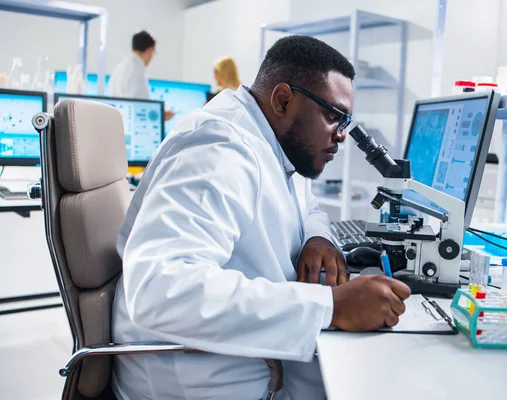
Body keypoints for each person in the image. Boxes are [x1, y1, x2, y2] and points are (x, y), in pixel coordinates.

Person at [111, 35, 410, 400]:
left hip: (246, 359)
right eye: (333, 117)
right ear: (283, 99)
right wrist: (330, 308)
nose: (342, 136)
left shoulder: (275, 143)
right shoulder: (220, 149)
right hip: (196, 380)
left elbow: (308, 206)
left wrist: (319, 237)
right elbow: (161, 291)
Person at [109, 30, 175, 120]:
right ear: (150, 50)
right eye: (154, 52)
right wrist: (161, 115)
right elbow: (141, 108)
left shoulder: (121, 66)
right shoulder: (137, 70)